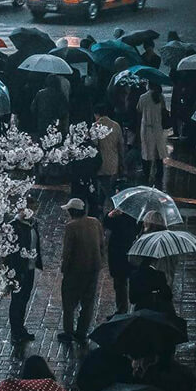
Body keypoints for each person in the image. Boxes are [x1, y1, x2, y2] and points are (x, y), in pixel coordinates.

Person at [58, 198, 105, 345]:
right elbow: (102, 244)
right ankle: (82, 331)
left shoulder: (71, 226)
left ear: (72, 212)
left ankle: (68, 331)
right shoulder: (95, 222)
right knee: (88, 301)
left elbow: (68, 251)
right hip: (93, 268)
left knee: (69, 301)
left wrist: (64, 268)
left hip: (75, 270)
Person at [5, 203, 40, 345]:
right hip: (18, 269)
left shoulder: (33, 224)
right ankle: (15, 330)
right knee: (17, 300)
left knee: (25, 298)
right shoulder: (13, 226)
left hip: (30, 267)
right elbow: (8, 252)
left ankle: (21, 327)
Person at [103, 208, 138, 316]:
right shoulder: (136, 216)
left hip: (120, 254)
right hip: (128, 252)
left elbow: (107, 224)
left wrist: (110, 215)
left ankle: (123, 309)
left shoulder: (120, 217)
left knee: (121, 283)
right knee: (122, 283)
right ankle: (125, 308)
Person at [136, 83, 168, 188]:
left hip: (146, 128)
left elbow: (139, 109)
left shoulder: (143, 97)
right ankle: (159, 175)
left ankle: (147, 174)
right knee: (158, 152)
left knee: (146, 152)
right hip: (158, 128)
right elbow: (164, 110)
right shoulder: (160, 97)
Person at [94, 108, 124, 208]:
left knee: (106, 187)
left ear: (97, 114)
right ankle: (100, 205)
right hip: (114, 161)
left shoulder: (95, 126)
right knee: (106, 184)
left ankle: (117, 206)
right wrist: (121, 161)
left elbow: (94, 145)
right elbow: (121, 145)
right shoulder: (116, 125)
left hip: (101, 163)